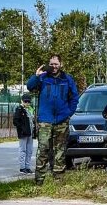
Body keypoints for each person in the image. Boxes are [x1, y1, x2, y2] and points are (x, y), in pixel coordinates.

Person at [26, 54, 79, 184]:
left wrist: (68, 113)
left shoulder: (67, 79)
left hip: (62, 120)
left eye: (56, 64)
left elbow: (74, 98)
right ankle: (39, 180)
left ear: (61, 64)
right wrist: (36, 76)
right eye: (51, 64)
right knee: (43, 149)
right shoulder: (43, 78)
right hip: (45, 120)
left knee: (60, 150)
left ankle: (58, 180)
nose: (54, 67)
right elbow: (30, 87)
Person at [13, 93, 35, 174]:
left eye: (28, 102)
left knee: (29, 150)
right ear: (22, 101)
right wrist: (22, 128)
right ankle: (22, 168)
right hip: (23, 133)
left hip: (30, 132)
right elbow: (15, 121)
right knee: (23, 150)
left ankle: (27, 167)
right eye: (25, 102)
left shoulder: (30, 109)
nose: (27, 103)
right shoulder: (19, 109)